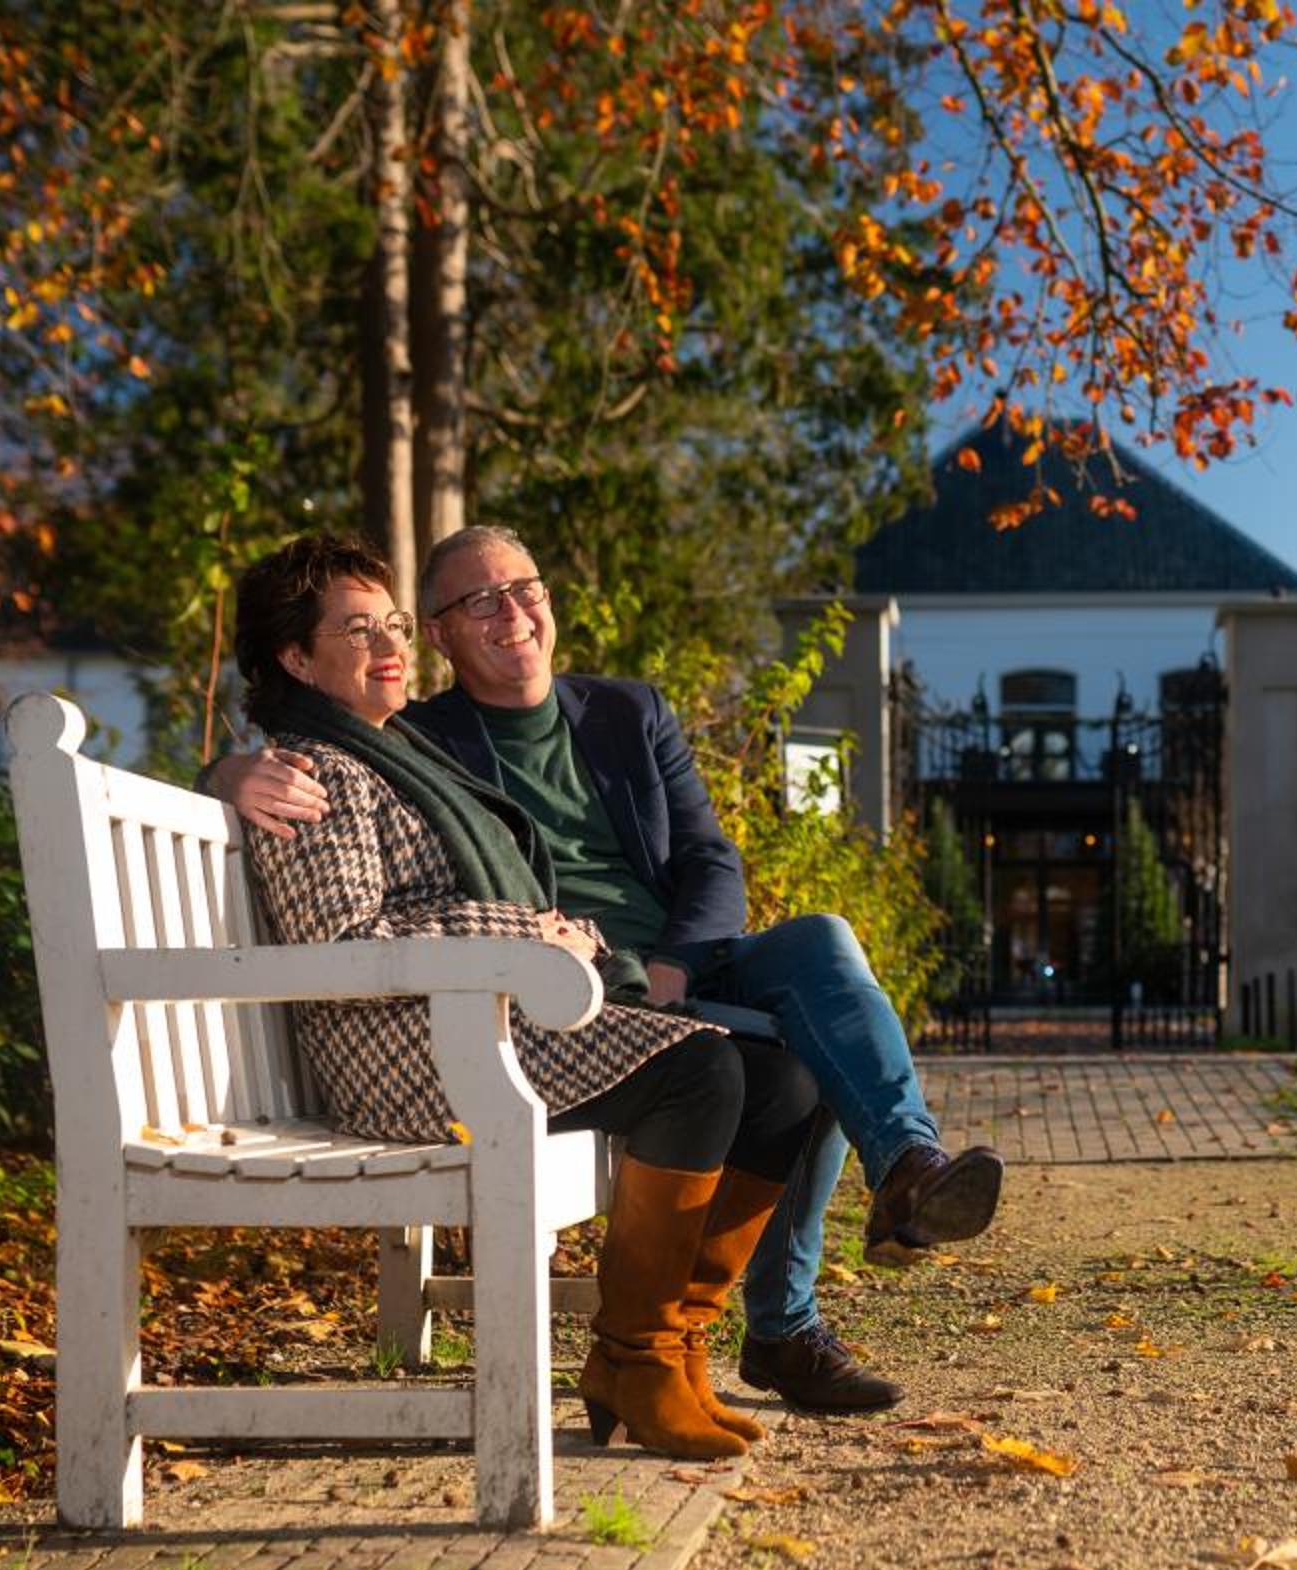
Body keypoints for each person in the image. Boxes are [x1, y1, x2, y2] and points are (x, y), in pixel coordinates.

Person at [210, 524, 1000, 1416]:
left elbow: (710, 859)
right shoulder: (420, 739)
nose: (513, 613)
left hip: (669, 964)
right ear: (441, 634)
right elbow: (316, 763)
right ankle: (756, 1335)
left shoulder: (628, 712)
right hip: (558, 988)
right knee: (791, 1065)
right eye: (481, 601)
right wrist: (226, 773)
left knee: (823, 941)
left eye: (526, 589)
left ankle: (907, 1165)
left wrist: (672, 966)